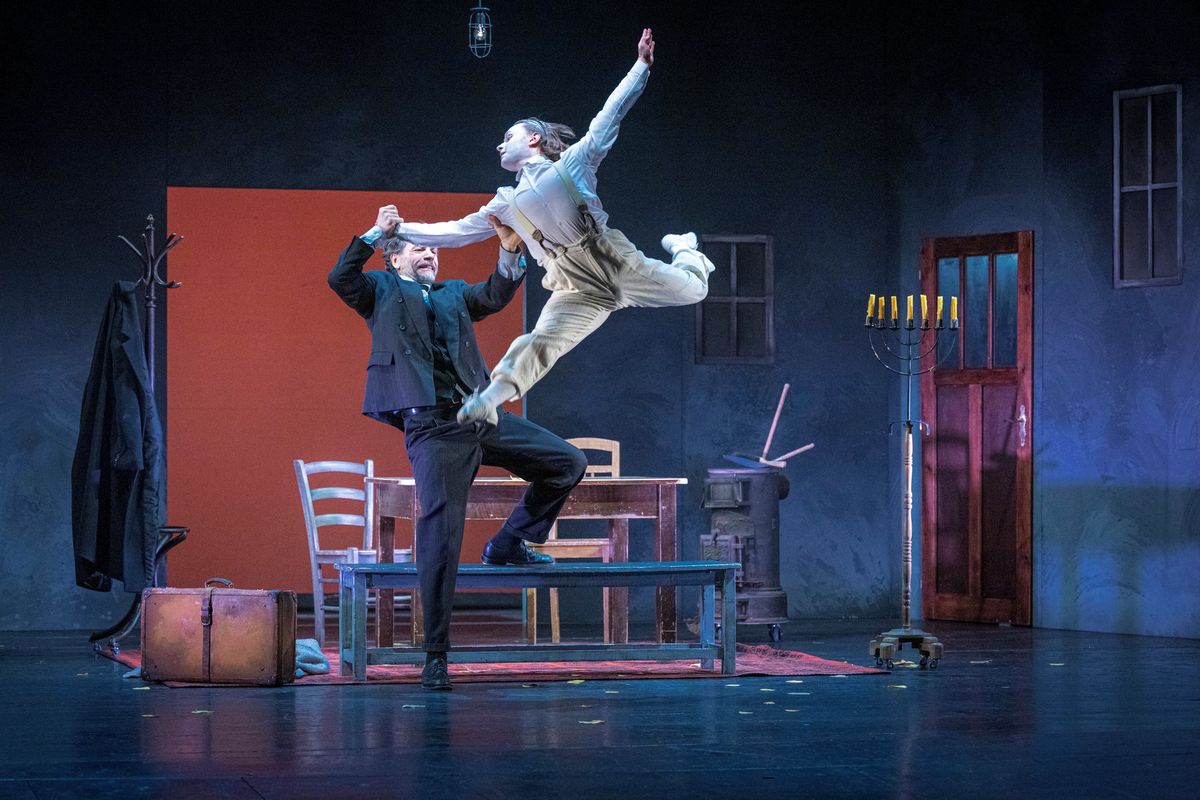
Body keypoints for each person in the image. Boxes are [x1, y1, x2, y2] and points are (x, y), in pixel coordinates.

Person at [385, 28, 714, 426]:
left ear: (535, 139)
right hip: (574, 287)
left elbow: (609, 116)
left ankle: (685, 248)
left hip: (614, 262)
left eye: (508, 137)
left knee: (695, 290)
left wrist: (640, 67)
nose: (500, 145)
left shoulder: (573, 165)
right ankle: (489, 400)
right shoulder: (505, 202)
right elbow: (456, 232)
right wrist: (398, 231)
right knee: (542, 342)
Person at [327, 208, 587, 690]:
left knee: (567, 462)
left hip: (480, 414)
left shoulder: (453, 294)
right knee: (441, 534)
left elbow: (493, 294)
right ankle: (435, 654)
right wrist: (376, 232)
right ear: (395, 258)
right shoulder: (380, 290)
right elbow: (340, 277)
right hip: (434, 427)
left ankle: (508, 543)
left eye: (435, 249)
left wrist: (508, 250)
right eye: (419, 248)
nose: (430, 253)